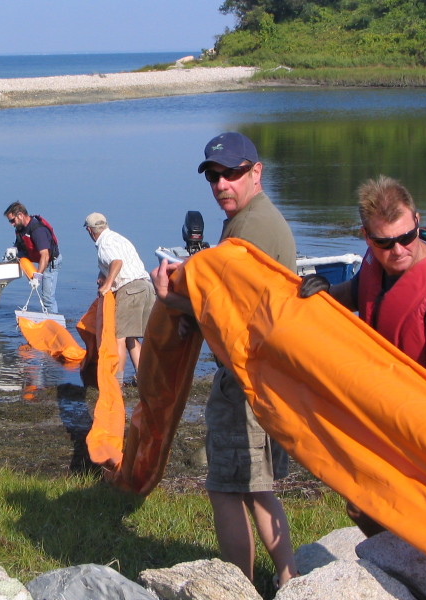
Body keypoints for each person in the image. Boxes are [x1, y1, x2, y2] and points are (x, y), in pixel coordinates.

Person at [151, 132, 298, 587]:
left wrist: (171, 300)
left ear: (256, 172)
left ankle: (241, 589)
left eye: (232, 174)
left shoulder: (251, 228)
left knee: (225, 489)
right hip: (265, 376)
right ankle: (292, 582)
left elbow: (225, 308)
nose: (221, 185)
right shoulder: (249, 220)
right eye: (214, 176)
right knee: (256, 488)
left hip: (247, 380)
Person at [300, 174, 426, 537]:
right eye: (385, 243)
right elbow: (358, 295)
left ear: (417, 221)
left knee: (383, 505)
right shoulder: (378, 269)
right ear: (367, 237)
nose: (399, 250)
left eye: (406, 237)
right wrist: (324, 292)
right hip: (394, 408)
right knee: (362, 505)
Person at [83, 212, 155, 385]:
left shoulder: (104, 243)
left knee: (119, 337)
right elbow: (120, 261)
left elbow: (117, 262)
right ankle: (143, 378)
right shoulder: (119, 238)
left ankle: (116, 383)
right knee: (132, 337)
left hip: (130, 291)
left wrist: (107, 284)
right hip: (147, 288)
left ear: (89, 231)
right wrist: (103, 275)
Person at [4, 201, 61, 313]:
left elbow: (45, 255)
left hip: (49, 262)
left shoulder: (37, 230)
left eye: (12, 220)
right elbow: (20, 245)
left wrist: (37, 277)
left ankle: (54, 322)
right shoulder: (20, 228)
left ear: (20, 215)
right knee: (11, 256)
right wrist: (13, 250)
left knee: (47, 298)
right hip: (33, 255)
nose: (11, 224)